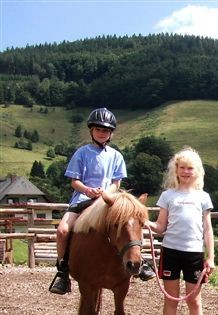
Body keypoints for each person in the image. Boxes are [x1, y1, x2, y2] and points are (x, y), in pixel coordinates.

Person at [49, 107, 155, 295]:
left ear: (111, 133)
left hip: (108, 199)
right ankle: (62, 270)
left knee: (131, 223)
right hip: (83, 198)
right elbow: (74, 181)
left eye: (105, 130)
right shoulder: (81, 153)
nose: (101, 133)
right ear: (91, 131)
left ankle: (141, 261)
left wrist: (106, 193)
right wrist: (88, 190)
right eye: (98, 129)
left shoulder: (116, 156)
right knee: (62, 230)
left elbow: (116, 183)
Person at [147, 147, 215, 315]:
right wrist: (144, 221)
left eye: (190, 168)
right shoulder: (168, 195)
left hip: (194, 253)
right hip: (171, 252)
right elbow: (160, 227)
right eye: (182, 168)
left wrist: (211, 257)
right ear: (176, 170)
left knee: (194, 300)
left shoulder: (203, 197)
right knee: (171, 299)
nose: (186, 172)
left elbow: (208, 229)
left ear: (197, 171)